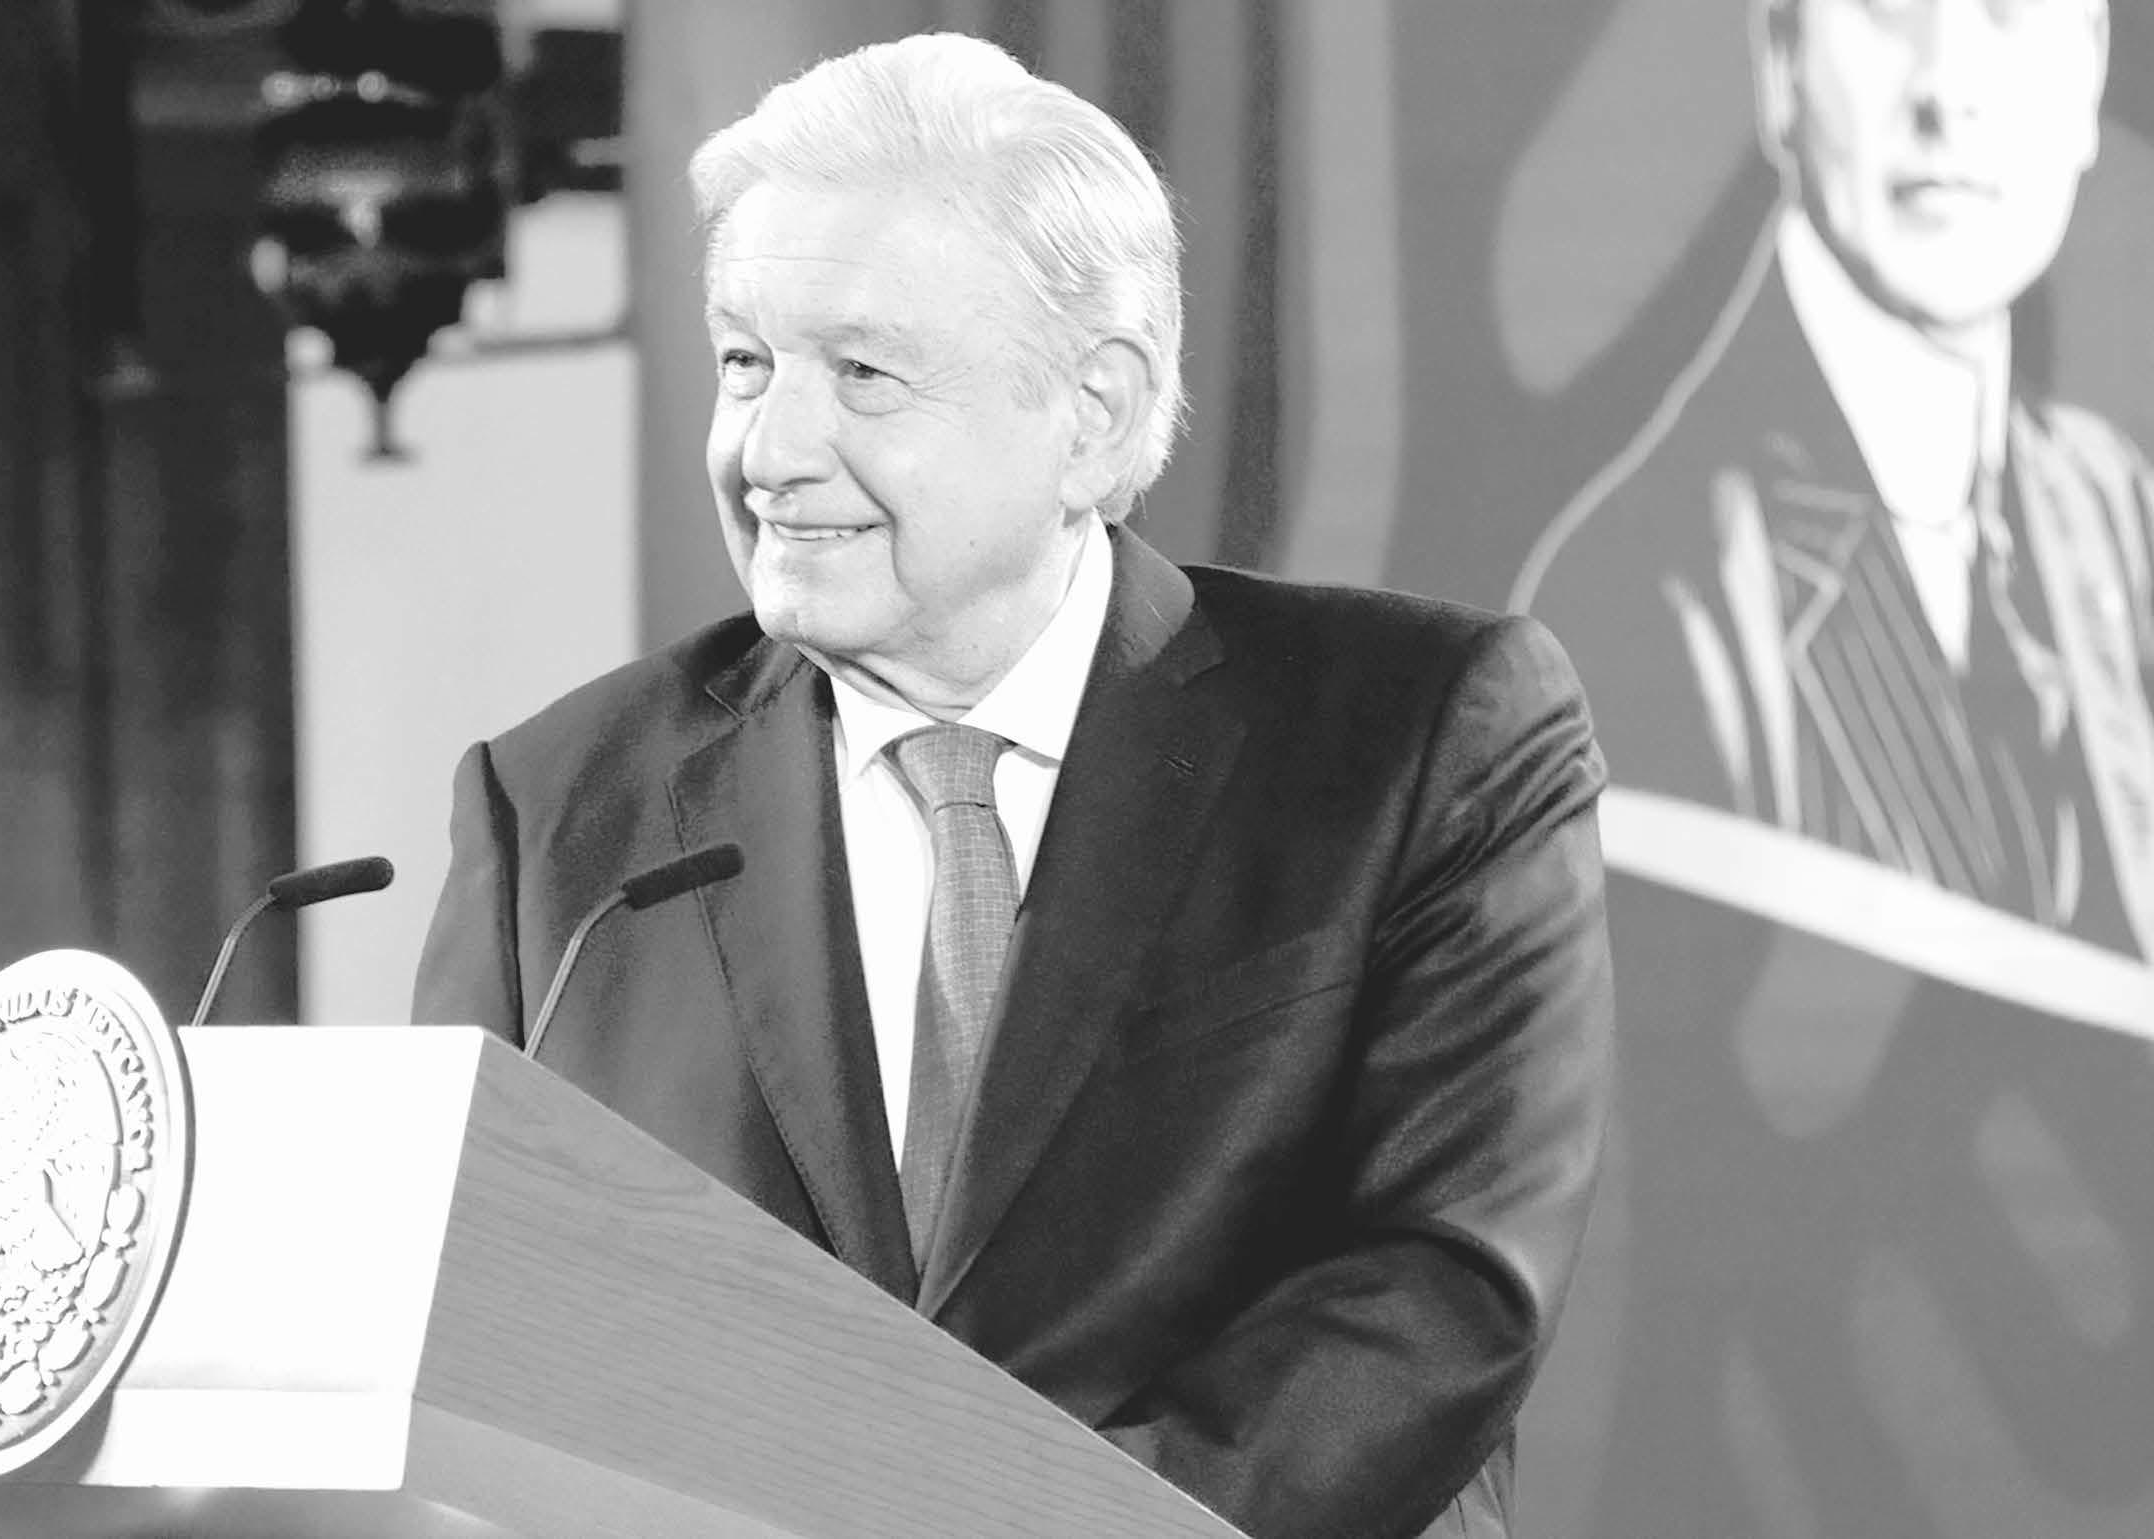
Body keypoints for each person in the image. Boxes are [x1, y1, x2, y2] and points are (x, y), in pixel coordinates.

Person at [414, 33, 1611, 1539]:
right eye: (745, 363)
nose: (769, 449)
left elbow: (1440, 1285)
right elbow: (459, 1331)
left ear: (1092, 415)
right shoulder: (557, 813)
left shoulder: (1417, 735)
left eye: (862, 373)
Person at [1513, 0, 2154, 962]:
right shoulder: (1643, 595)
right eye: (1886, 7)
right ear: (1782, 63)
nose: (1946, 87)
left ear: (2090, 72)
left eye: (2010, 8)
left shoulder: (2118, 510)